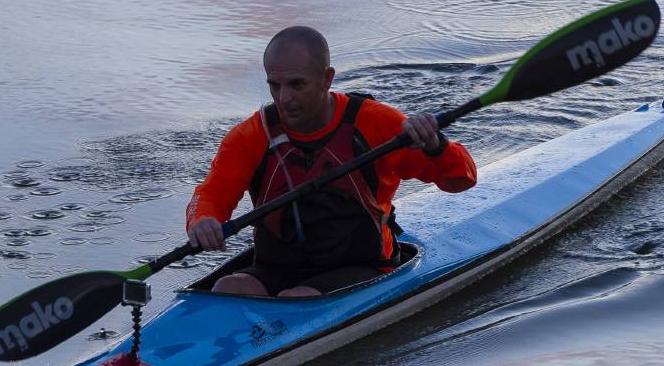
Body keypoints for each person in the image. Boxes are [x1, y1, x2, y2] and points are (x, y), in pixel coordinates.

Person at [186, 26, 477, 297]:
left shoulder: (376, 123)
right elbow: (212, 193)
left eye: (297, 84)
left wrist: (436, 146)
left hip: (363, 265)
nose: (284, 98)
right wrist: (203, 221)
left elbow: (462, 180)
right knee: (228, 287)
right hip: (279, 266)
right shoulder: (251, 135)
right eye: (275, 85)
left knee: (297, 298)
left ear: (327, 78)